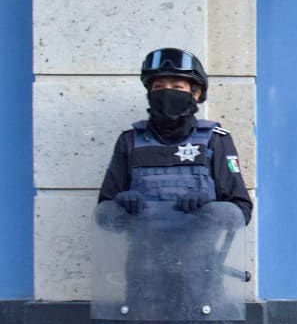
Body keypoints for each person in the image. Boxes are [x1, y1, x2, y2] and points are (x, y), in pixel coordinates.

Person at [98, 48, 252, 226]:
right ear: (149, 93)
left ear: (196, 93)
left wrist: (210, 208)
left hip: (200, 250)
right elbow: (103, 217)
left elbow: (241, 211)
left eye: (177, 87)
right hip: (144, 251)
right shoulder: (130, 140)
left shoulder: (215, 140)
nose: (166, 92)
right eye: (159, 87)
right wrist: (119, 207)